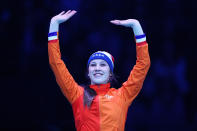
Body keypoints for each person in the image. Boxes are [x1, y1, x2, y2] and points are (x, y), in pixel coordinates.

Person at [48, 10, 150, 131]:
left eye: (103, 65)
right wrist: (54, 24)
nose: (97, 68)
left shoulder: (123, 96)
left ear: (110, 73)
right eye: (93, 65)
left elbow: (143, 65)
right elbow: (56, 63)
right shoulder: (77, 94)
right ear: (88, 73)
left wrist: (136, 26)